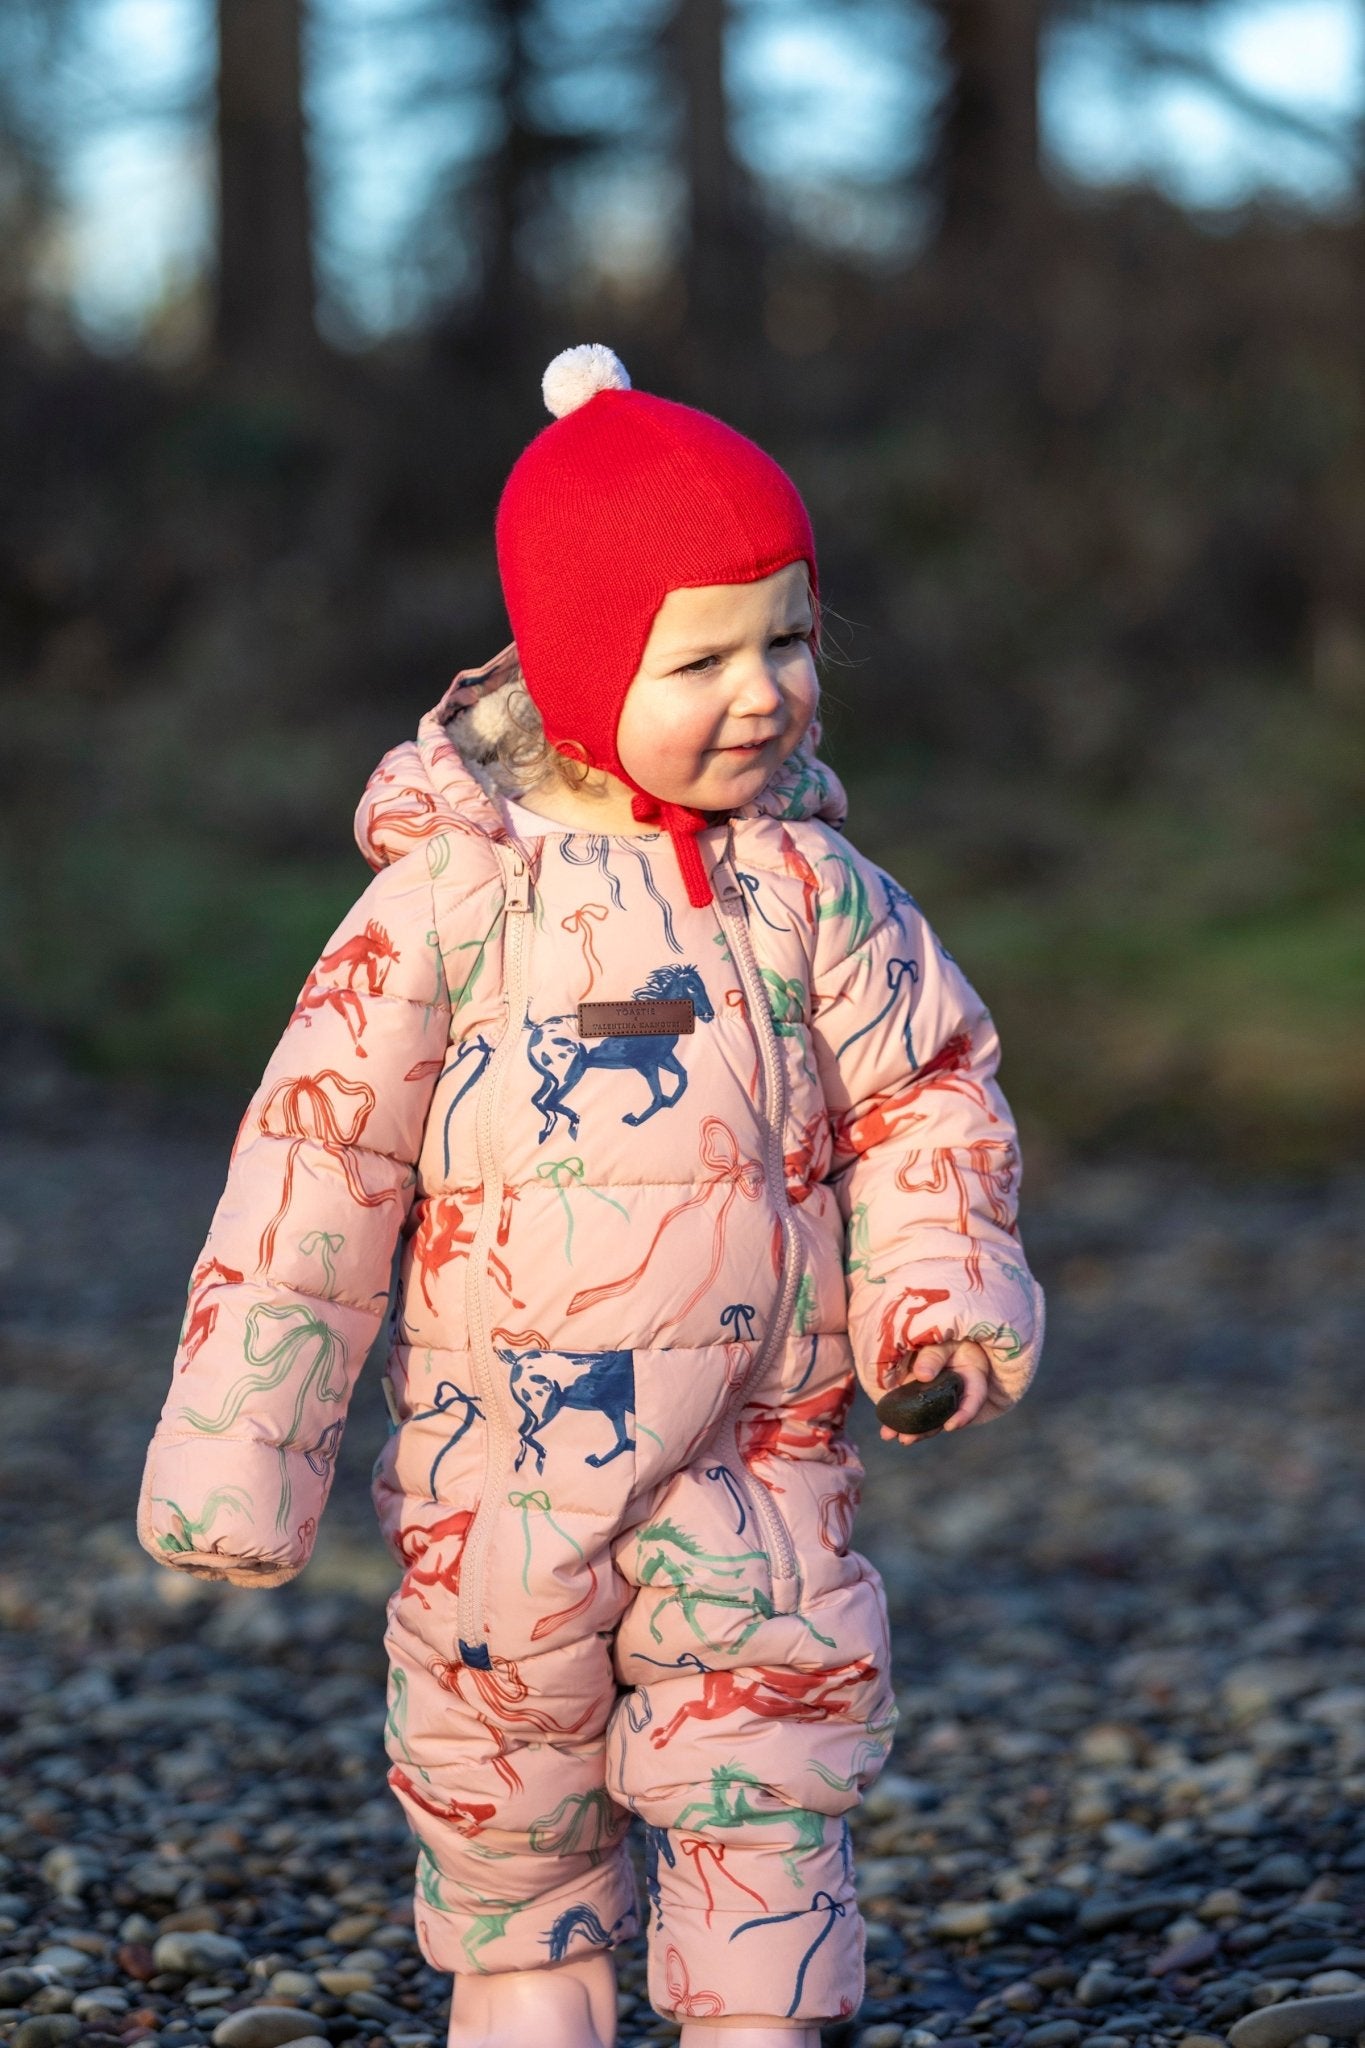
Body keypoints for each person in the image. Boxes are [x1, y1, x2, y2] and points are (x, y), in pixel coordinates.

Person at [137, 343, 1045, 2048]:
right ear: (570, 671)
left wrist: (934, 1301)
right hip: (502, 1484)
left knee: (767, 1809)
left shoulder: (817, 894)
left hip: (761, 1464)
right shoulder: (444, 907)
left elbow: (929, 1095)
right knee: (510, 1842)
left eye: (786, 637)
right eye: (697, 656)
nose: (762, 688)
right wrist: (241, 1450)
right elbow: (312, 1178)